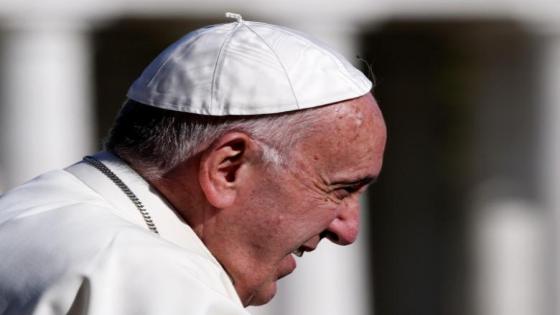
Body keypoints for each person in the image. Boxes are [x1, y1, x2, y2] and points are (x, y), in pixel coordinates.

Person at [0, 13, 386, 315]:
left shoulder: (26, 211)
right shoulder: (151, 280)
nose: (347, 230)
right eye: (339, 189)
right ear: (228, 168)